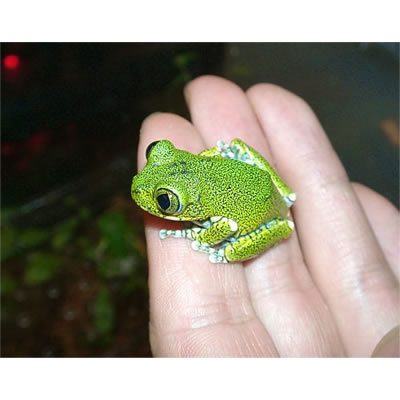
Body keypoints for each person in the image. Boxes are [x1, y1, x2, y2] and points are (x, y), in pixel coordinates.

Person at [136, 75, 399, 357]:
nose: (141, 181)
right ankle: (277, 193)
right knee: (235, 152)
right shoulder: (203, 159)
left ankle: (250, 225)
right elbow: (211, 156)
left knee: (228, 248)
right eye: (155, 152)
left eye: (165, 201)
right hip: (259, 184)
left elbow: (227, 226)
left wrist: (201, 235)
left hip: (264, 218)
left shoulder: (204, 184)